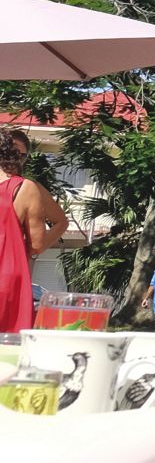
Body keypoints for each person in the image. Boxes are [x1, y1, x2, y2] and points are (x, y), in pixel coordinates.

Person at [1, 126, 67, 333]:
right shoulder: (25, 188)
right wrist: (24, 251)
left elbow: (60, 222)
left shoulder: (27, 187)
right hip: (6, 276)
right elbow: (38, 244)